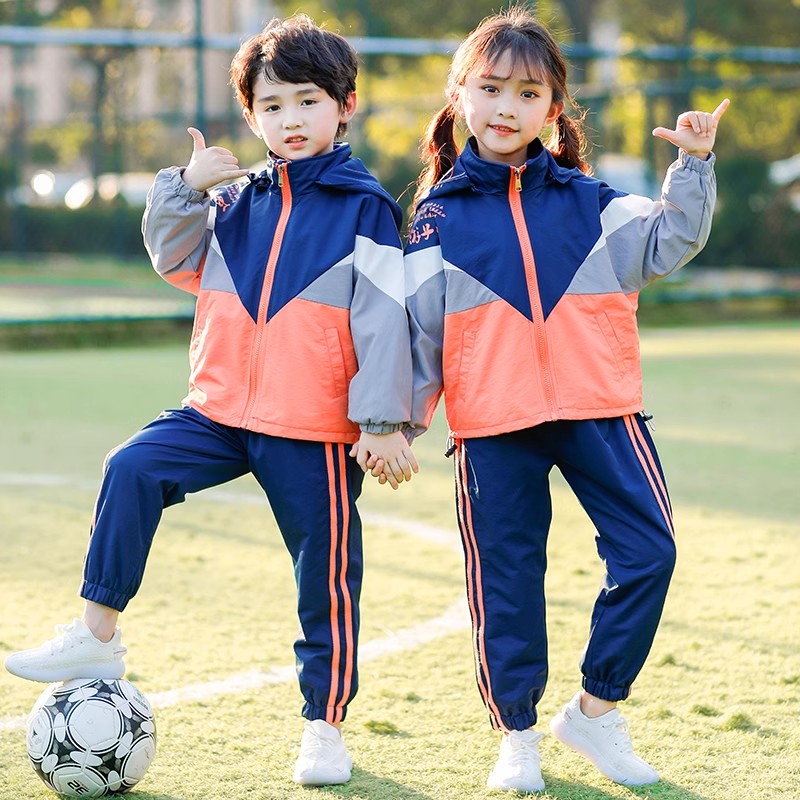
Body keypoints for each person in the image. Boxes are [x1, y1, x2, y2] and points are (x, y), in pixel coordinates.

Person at [5, 14, 417, 787]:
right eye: (271, 106)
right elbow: (176, 258)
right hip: (219, 409)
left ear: (345, 105)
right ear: (251, 114)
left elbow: (387, 321)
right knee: (131, 467)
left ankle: (323, 727)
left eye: (305, 102)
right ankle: (98, 632)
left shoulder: (366, 207)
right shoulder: (238, 198)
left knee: (324, 575)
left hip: (313, 427)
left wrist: (384, 422)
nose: (288, 121)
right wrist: (183, 188)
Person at [403, 6, 727, 793]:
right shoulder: (434, 219)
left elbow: (667, 242)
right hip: (493, 423)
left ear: (553, 110)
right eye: (490, 88)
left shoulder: (592, 201)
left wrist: (692, 167)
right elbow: (415, 336)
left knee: (650, 552)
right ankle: (516, 736)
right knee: (508, 584)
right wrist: (394, 423)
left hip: (600, 407)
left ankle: (594, 713)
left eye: (527, 92)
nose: (506, 107)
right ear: (459, 96)